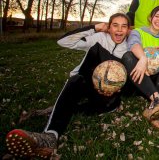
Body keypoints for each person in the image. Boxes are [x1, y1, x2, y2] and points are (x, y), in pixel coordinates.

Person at [5, 13, 130, 159]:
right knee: (76, 78)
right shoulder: (99, 38)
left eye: (124, 26)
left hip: (106, 94)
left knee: (107, 105)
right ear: (108, 27)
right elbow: (63, 42)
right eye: (115, 25)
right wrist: (93, 28)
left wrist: (117, 88)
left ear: (128, 30)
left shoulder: (129, 48)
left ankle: (56, 108)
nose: (119, 30)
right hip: (84, 83)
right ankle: (50, 137)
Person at [122, 6, 159, 130]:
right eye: (157, 16)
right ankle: (157, 101)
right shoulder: (138, 32)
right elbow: (133, 44)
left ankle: (155, 107)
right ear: (151, 18)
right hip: (138, 78)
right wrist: (143, 58)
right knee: (128, 56)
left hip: (156, 81)